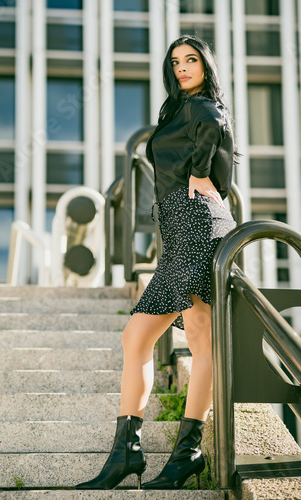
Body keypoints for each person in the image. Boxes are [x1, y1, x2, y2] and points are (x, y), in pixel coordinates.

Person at [75, 34, 237, 491]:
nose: (183, 67)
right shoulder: (176, 110)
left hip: (198, 223)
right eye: (176, 62)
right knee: (136, 337)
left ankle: (188, 452)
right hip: (179, 228)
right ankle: (127, 450)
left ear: (206, 65)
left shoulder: (205, 107)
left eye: (192, 60)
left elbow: (215, 125)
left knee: (201, 337)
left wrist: (201, 171)